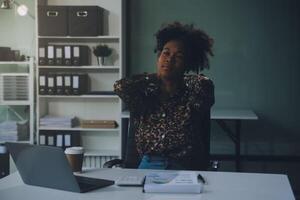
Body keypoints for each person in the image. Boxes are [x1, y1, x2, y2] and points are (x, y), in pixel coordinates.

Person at [114, 22, 215, 170]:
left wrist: (174, 77)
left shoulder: (194, 94)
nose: (169, 59)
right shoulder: (144, 95)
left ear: (188, 64)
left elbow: (204, 83)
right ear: (159, 56)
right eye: (166, 53)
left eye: (178, 56)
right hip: (149, 165)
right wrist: (155, 77)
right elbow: (120, 86)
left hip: (183, 166)